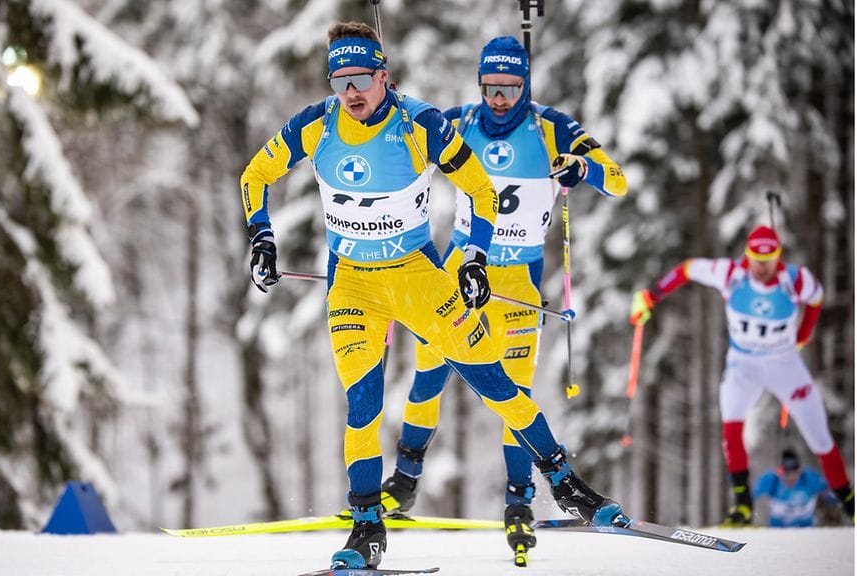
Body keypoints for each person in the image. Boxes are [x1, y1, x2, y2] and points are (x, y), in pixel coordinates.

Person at [240, 22, 625, 570]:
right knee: (363, 405)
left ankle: (564, 482)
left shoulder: (420, 123)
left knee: (493, 380)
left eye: (360, 79)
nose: (350, 92)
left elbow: (480, 190)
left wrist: (473, 258)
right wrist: (262, 236)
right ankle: (367, 527)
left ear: (383, 75)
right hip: (352, 285)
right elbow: (255, 173)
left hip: (420, 279)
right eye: (339, 80)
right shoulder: (316, 126)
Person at [378, 36, 627, 561]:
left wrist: (583, 169)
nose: (499, 98)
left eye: (510, 88)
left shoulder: (551, 126)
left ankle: (519, 499)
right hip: (459, 271)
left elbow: (618, 181)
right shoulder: (460, 121)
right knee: (429, 371)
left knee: (514, 392)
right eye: (490, 87)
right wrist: (386, 102)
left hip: (517, 285)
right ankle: (405, 477)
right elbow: (398, 140)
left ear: (526, 85)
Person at [630, 225, 854, 526]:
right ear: (747, 255)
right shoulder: (731, 274)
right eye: (756, 260)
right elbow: (687, 269)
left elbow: (817, 298)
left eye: (769, 261)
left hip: (784, 364)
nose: (761, 268)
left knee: (820, 437)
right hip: (743, 364)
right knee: (731, 428)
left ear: (779, 257)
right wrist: (651, 295)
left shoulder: (796, 279)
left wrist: (803, 334)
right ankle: (743, 506)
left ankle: (850, 504)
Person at [753, 447, 840, 527]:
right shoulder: (772, 479)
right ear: (781, 472)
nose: (791, 479)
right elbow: (752, 495)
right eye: (786, 475)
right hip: (778, 530)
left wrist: (833, 509)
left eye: (794, 475)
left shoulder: (810, 478)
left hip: (807, 529)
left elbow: (829, 491)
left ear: (799, 471)